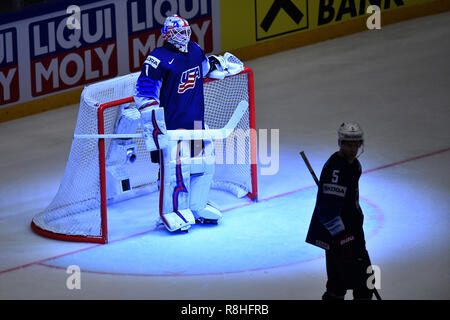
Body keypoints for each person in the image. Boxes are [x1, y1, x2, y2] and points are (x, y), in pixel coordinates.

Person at [133, 14, 221, 232]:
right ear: (167, 35)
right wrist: (156, 127)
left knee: (203, 166)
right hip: (173, 128)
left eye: (186, 31)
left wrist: (219, 64)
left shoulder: (195, 49)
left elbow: (203, 69)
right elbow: (143, 93)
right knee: (175, 173)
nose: (184, 35)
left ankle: (196, 206)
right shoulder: (157, 59)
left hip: (196, 123)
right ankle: (171, 211)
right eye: (179, 32)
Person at [305, 121, 375, 300]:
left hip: (352, 233)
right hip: (340, 237)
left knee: (360, 282)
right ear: (340, 143)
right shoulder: (336, 169)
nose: (353, 149)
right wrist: (342, 237)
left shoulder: (355, 165)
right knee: (343, 284)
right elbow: (327, 211)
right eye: (348, 145)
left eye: (356, 144)